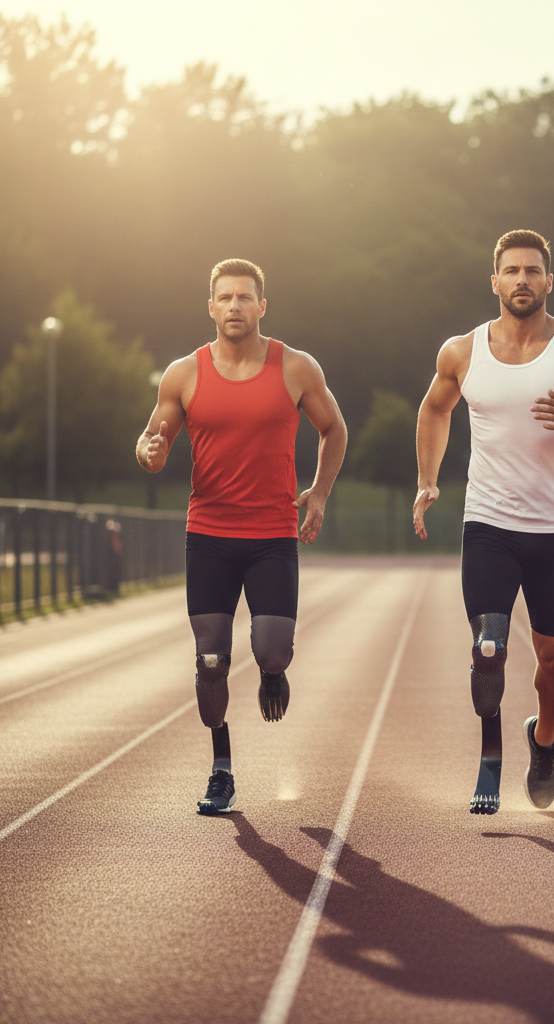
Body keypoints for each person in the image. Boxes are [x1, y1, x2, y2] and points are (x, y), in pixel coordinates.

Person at [413, 230, 554, 815]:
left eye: (532, 271)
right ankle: (490, 761)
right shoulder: (462, 352)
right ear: (495, 281)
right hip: (487, 524)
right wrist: (428, 480)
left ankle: (542, 740)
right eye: (511, 271)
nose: (522, 280)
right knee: (488, 645)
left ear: (548, 281)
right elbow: (435, 408)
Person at [136, 258, 347, 815]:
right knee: (211, 661)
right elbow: (151, 443)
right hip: (208, 534)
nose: (234, 307)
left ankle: (273, 674)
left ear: (261, 306)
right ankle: (221, 768)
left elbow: (334, 428)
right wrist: (150, 452)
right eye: (224, 298)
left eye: (244, 297)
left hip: (272, 535)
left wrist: (319, 491)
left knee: (271, 649)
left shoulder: (295, 368)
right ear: (211, 307)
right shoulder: (183, 374)